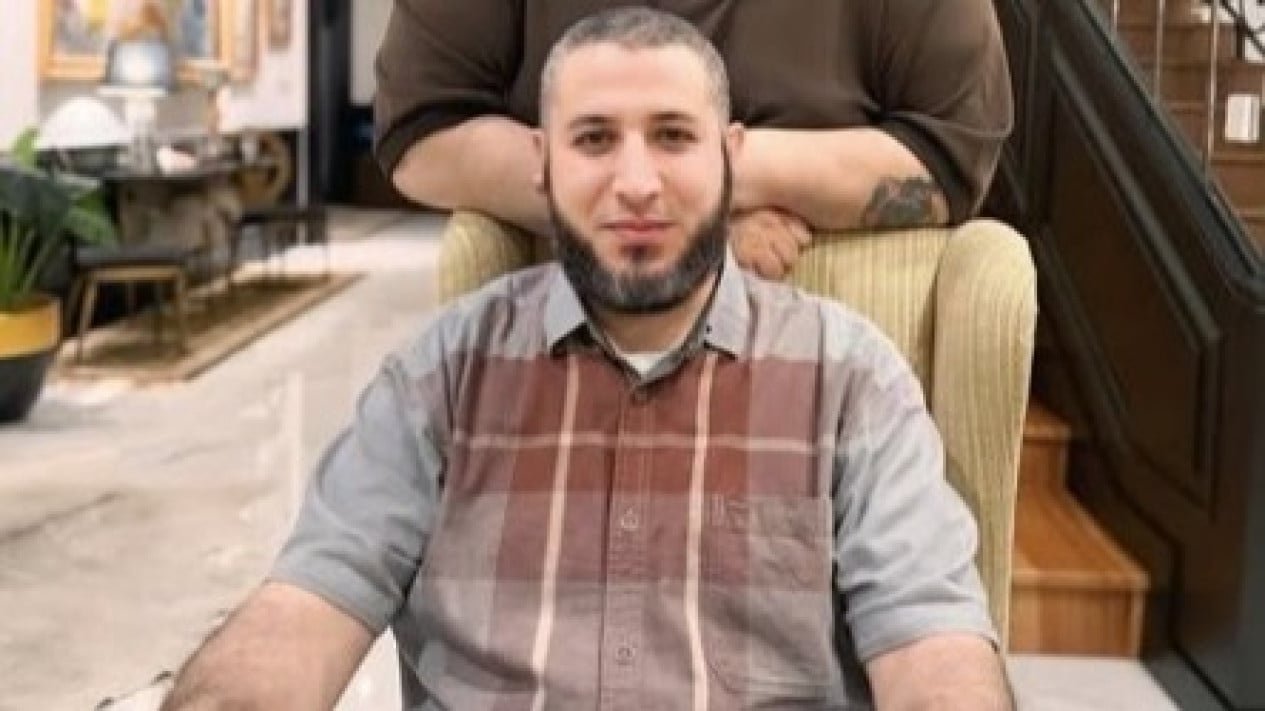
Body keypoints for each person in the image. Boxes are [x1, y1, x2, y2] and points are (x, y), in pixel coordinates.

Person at [161, 9, 1013, 709]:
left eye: (673, 137)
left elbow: (930, 642)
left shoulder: (851, 384)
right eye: (595, 140)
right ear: (540, 162)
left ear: (731, 156)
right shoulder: (442, 377)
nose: (635, 182)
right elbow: (307, 605)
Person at [375, 0, 1012, 280]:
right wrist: (689, 212)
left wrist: (712, 180)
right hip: (568, 329)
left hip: (828, 346)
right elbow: (421, 137)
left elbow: (952, 157)